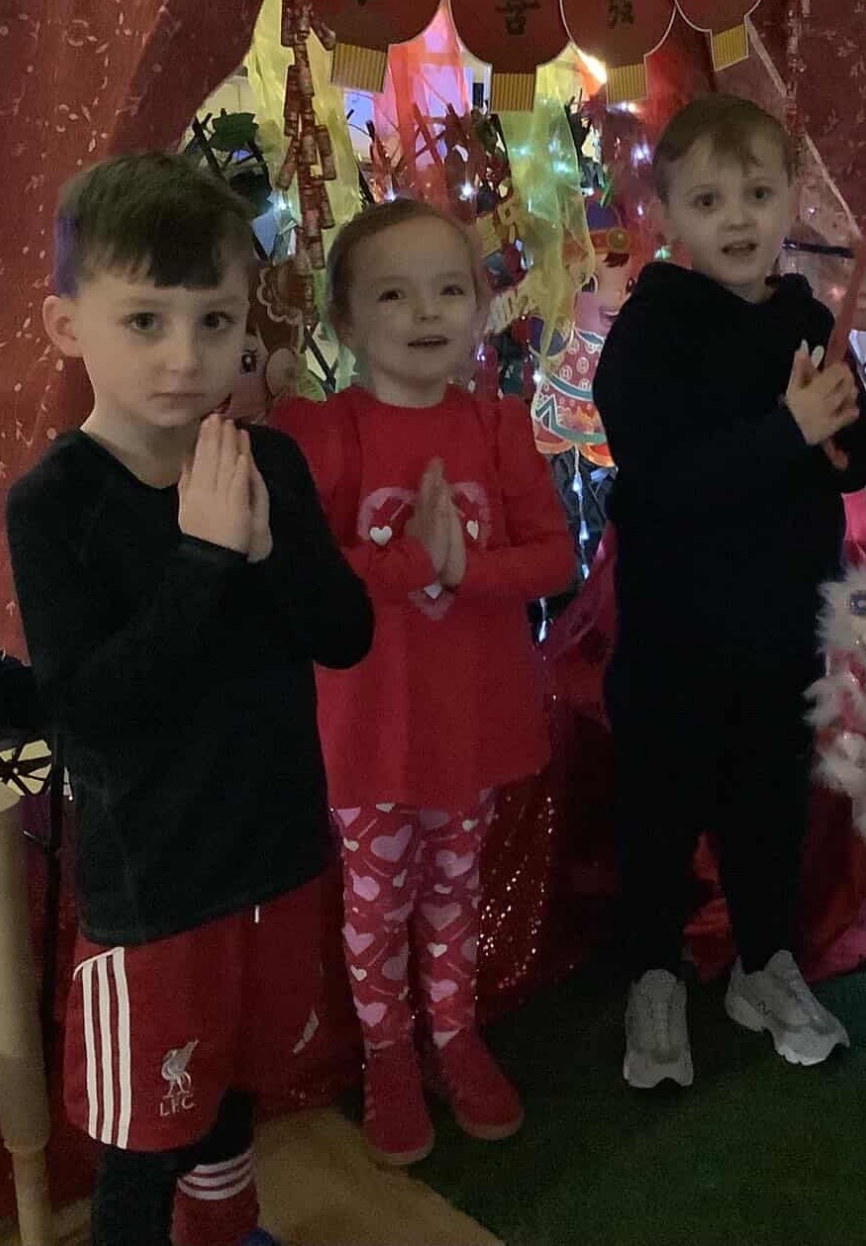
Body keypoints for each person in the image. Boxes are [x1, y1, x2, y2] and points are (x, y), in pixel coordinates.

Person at [6, 152, 373, 1246]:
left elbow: (344, 635)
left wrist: (266, 550)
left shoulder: (268, 461)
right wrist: (204, 559)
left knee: (237, 1081)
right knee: (144, 1132)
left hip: (276, 850)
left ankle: (224, 1229)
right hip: (156, 890)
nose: (184, 356)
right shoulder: (54, 503)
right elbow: (90, 712)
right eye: (145, 321)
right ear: (68, 326)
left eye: (213, 321)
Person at [274, 199, 574, 1165]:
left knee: (455, 887)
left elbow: (555, 557)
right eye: (394, 294)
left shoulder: (499, 425)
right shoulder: (325, 434)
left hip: (471, 717)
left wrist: (462, 567)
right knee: (376, 901)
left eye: (449, 289)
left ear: (481, 307)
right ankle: (388, 1053)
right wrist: (409, 562)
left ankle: (454, 1033)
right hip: (369, 725)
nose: (426, 311)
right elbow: (301, 578)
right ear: (346, 320)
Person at [593, 93, 866, 1089]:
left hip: (784, 624)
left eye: (758, 193)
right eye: (709, 199)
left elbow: (853, 459)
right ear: (666, 212)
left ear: (792, 197)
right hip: (673, 636)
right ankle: (652, 973)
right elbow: (663, 478)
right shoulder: (652, 329)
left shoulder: (805, 316)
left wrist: (841, 430)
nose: (737, 218)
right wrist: (786, 432)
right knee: (660, 810)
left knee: (769, 807)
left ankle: (764, 964)